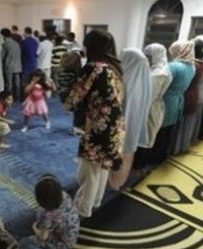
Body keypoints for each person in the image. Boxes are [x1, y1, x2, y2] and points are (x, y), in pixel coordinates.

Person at [64, 29, 125, 218]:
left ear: (91, 47)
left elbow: (72, 99)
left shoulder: (94, 68)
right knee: (102, 167)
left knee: (90, 170)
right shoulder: (115, 67)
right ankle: (96, 201)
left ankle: (83, 208)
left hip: (98, 127)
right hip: (115, 127)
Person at [108, 48, 152, 190]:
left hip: (121, 126)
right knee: (128, 154)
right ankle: (120, 181)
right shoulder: (146, 79)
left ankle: (113, 183)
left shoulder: (127, 80)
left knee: (118, 155)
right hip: (135, 126)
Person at [19, 174, 80, 249]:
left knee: (24, 243)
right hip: (71, 234)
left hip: (62, 244)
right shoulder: (64, 195)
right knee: (40, 217)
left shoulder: (48, 215)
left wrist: (34, 229)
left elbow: (43, 237)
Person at [133, 43, 172, 174]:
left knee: (146, 136)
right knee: (144, 135)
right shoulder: (157, 69)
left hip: (149, 108)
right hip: (150, 106)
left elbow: (149, 96)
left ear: (156, 56)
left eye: (148, 56)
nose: (146, 59)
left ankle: (139, 166)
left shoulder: (158, 74)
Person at [57, 51, 83, 135]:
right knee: (78, 111)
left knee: (76, 112)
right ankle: (77, 128)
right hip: (70, 95)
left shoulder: (61, 73)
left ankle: (76, 126)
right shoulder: (73, 74)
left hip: (63, 95)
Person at [0, 28, 22, 102]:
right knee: (17, 84)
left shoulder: (5, 44)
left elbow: (2, 56)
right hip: (18, 66)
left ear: (3, 35)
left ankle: (10, 98)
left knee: (9, 84)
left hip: (9, 66)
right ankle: (18, 98)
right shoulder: (16, 43)